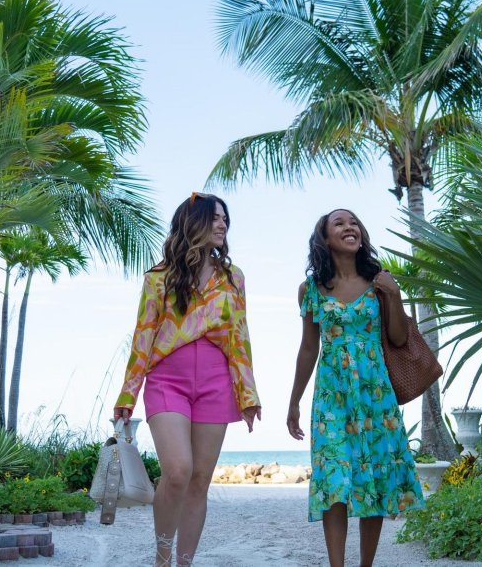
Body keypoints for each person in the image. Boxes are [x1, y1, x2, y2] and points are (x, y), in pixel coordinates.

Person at [112, 192, 261, 567]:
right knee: (177, 471)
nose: (222, 224)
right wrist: (128, 393)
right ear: (192, 222)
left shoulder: (233, 278)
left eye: (225, 218)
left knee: (199, 481)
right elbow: (143, 335)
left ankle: (184, 563)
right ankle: (162, 557)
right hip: (167, 382)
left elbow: (239, 336)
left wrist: (248, 394)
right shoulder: (159, 277)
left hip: (216, 383)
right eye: (214, 218)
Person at [287, 208, 425, 567]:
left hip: (374, 395)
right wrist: (294, 403)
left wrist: (393, 295)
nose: (350, 227)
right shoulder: (311, 290)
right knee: (333, 480)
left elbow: (396, 337)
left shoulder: (380, 282)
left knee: (373, 479)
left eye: (354, 222)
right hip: (332, 396)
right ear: (325, 239)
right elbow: (307, 348)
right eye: (339, 223)